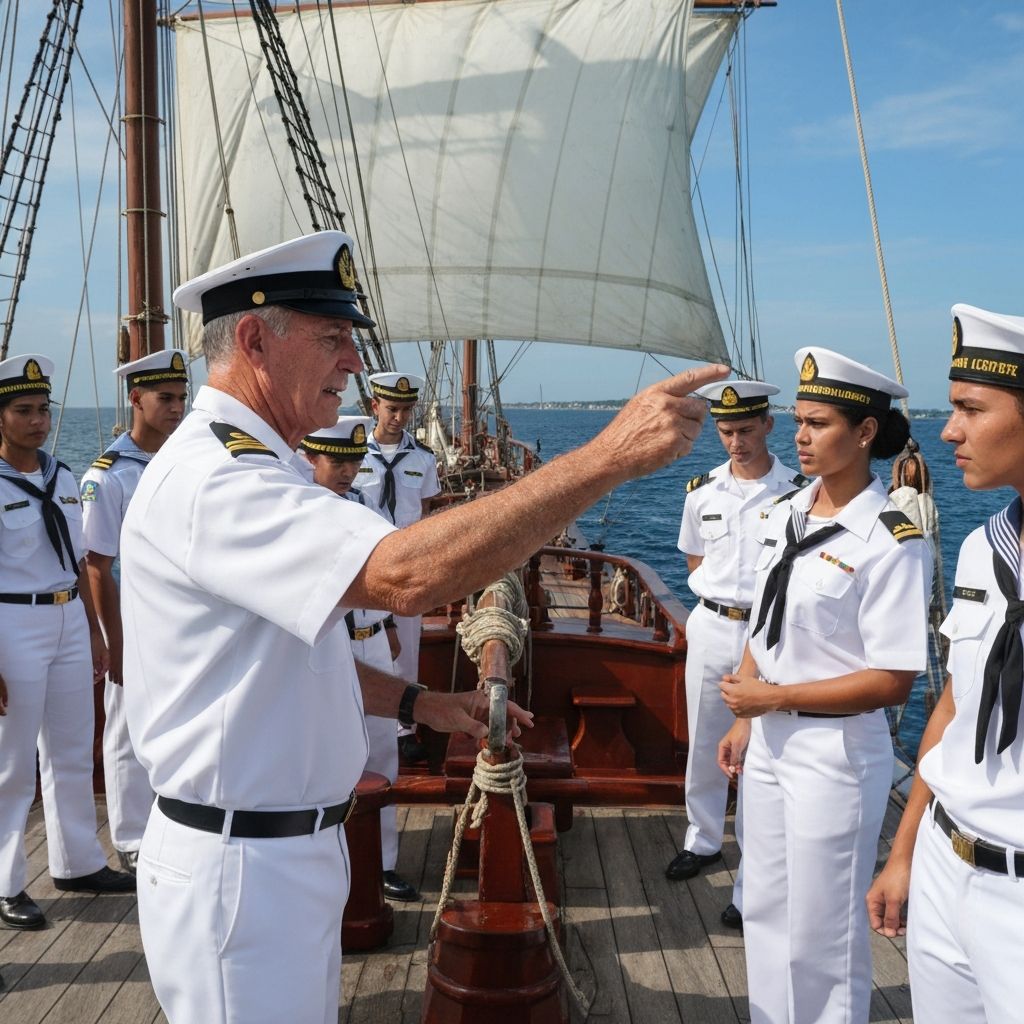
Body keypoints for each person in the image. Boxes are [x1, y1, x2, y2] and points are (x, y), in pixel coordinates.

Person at [119, 229, 725, 1024]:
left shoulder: (254, 466)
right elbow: (406, 576)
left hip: (280, 854)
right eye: (333, 337)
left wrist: (418, 706)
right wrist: (605, 457)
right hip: (243, 870)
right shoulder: (219, 480)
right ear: (254, 339)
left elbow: (277, 660)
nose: (352, 363)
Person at [717, 347, 932, 1024]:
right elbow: (766, 620)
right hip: (772, 742)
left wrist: (773, 698)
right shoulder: (788, 512)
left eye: (819, 423)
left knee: (824, 933)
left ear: (864, 433)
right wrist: (748, 713)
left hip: (834, 754)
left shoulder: (891, 538)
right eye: (798, 421)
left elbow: (894, 680)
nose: (801, 436)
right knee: (767, 909)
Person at [866, 304, 1024, 1023]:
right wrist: (904, 851)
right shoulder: (984, 547)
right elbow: (956, 705)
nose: (948, 429)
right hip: (942, 859)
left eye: (969, 408)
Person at [665, 380, 807, 934]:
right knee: (704, 737)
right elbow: (694, 563)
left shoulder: (798, 492)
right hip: (711, 624)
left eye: (746, 430)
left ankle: (755, 866)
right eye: (726, 432)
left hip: (769, 632)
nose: (736, 442)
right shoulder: (702, 491)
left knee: (763, 750)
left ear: (769, 425)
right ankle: (702, 840)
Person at [0, 354, 135, 932]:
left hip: (64, 622)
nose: (38, 421)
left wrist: (93, 629)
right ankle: (6, 884)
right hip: (12, 626)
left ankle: (77, 861)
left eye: (43, 410)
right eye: (23, 411)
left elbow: (78, 562)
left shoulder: (58, 475)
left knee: (74, 751)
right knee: (10, 767)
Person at [300, 414, 419, 902]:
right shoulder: (301, 513)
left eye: (353, 461)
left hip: (371, 636)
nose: (347, 471)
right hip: (331, 643)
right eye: (336, 461)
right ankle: (326, 863)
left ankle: (382, 861)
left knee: (382, 751)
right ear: (310, 458)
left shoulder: (363, 502)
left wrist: (389, 624)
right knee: (331, 755)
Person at [80, 349, 189, 874]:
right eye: (165, 398)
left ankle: (168, 824)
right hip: (131, 621)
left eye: (181, 398)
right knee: (124, 727)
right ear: (136, 398)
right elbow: (98, 566)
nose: (176, 407)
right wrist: (115, 643)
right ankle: (129, 837)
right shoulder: (110, 477)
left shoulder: (183, 462)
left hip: (176, 619)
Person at [357, 371, 440, 762]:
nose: (400, 418)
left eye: (407, 410)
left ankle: (404, 728)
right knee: (359, 641)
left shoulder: (424, 460)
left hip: (406, 568)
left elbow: (423, 515)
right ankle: (358, 717)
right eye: (392, 409)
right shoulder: (352, 456)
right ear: (374, 406)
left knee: (406, 648)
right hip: (365, 564)